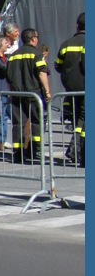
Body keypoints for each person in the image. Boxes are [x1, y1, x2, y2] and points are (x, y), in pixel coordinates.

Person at [5, 27, 50, 163]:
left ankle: (18, 154)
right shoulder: (37, 54)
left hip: (17, 94)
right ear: (33, 39)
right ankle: (36, 151)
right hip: (33, 93)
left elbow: (8, 76)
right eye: (36, 37)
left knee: (18, 124)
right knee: (37, 122)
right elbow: (42, 72)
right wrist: (47, 91)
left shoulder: (13, 56)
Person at [55, 12, 84, 166]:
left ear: (77, 26)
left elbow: (58, 66)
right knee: (83, 122)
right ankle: (76, 150)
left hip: (71, 89)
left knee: (78, 121)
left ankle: (75, 150)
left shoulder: (66, 44)